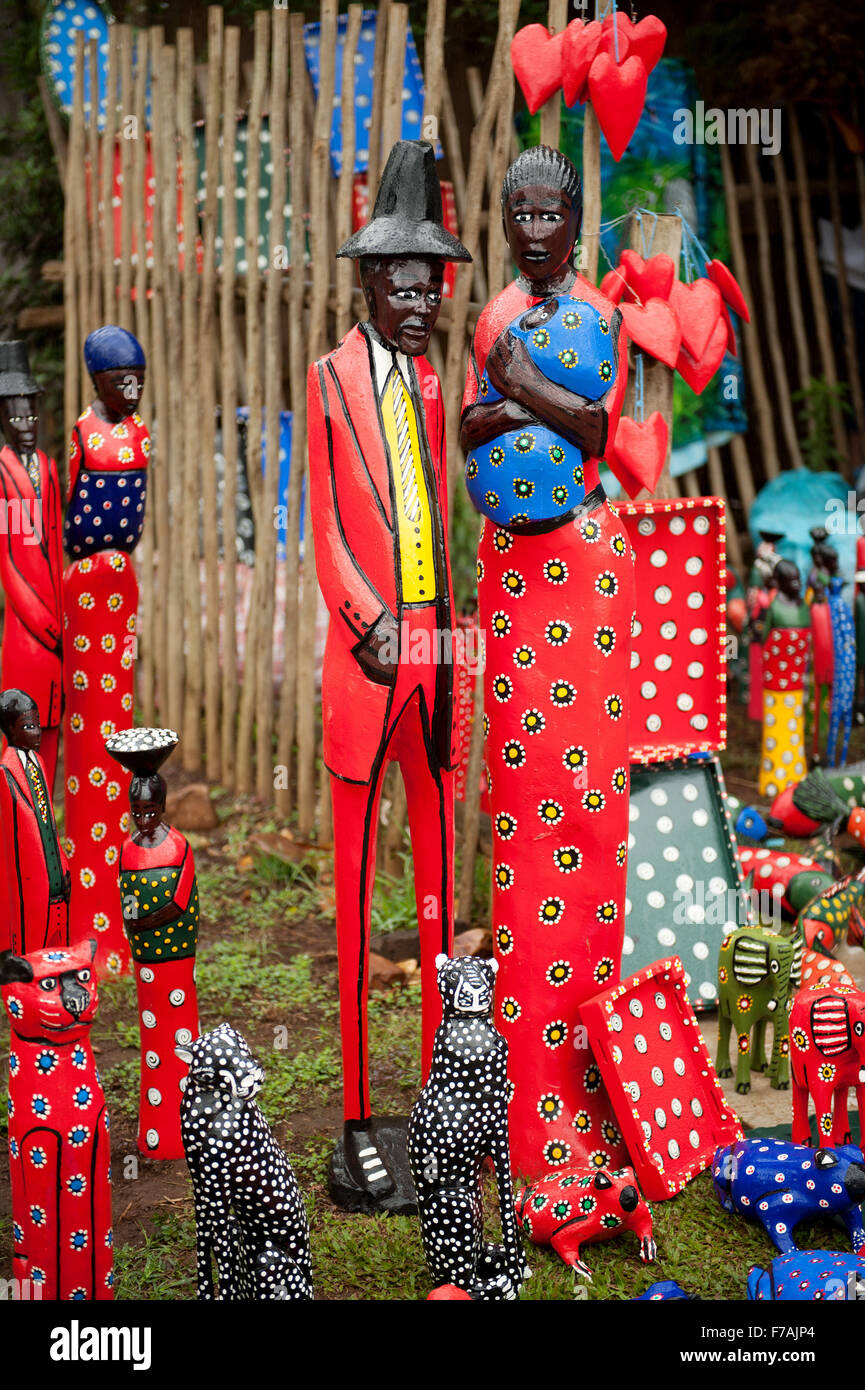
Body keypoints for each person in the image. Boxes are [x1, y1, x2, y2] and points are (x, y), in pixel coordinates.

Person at [460, 145, 656, 1181]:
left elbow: (594, 429)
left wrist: (519, 386)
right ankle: (527, 1107)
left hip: (584, 573)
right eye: (518, 211)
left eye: (550, 210)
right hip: (512, 579)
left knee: (589, 811)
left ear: (577, 219)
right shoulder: (492, 312)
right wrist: (517, 399)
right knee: (523, 821)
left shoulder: (598, 318)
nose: (534, 227)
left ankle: (593, 1093)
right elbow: (468, 425)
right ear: (502, 221)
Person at [307, 140, 471, 1209]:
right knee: (361, 905)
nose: (418, 300)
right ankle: (362, 1117)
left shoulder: (431, 380)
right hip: (372, 664)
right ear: (369, 281)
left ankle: (438, 1094)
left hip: (437, 657)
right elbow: (323, 528)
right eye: (402, 282)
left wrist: (449, 637)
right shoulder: (329, 378)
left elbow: (445, 531)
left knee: (438, 894)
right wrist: (369, 622)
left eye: (431, 283)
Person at [62, 325, 150, 976]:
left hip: (122, 579)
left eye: (138, 377)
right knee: (90, 729)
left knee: (117, 729)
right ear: (97, 381)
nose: (132, 388)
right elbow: (68, 507)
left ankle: (115, 911)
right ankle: (86, 906)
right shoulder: (80, 436)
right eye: (122, 378)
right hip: (85, 583)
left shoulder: (141, 433)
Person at [109, 727, 200, 1160]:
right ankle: (158, 1133)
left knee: (179, 1034)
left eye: (150, 811)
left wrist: (142, 922)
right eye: (137, 812)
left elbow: (180, 903)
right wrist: (137, 930)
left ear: (163, 808)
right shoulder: (127, 852)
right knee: (153, 1040)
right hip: (147, 959)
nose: (143, 820)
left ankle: (184, 1131)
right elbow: (126, 898)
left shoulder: (179, 847)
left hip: (177, 957)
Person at [0, 342, 63, 788]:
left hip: (56, 623)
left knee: (52, 726)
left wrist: (61, 615)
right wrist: (43, 621)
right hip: (28, 628)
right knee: (22, 727)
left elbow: (56, 543)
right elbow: (7, 559)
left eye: (32, 415)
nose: (26, 425)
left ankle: (48, 832)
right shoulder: (1, 473)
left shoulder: (49, 467)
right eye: (17, 416)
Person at [0, 686, 70, 953]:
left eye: (37, 725)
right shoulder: (6, 772)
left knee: (58, 946)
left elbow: (49, 823)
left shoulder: (38, 763)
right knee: (33, 948)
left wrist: (63, 867)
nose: (38, 732)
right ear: (10, 729)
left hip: (54, 883)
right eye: (28, 726)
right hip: (29, 888)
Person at [758, 559, 810, 798]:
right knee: (776, 731)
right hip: (775, 686)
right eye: (791, 580)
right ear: (779, 583)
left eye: (798, 578)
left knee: (794, 730)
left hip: (796, 683)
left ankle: (796, 776)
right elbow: (764, 640)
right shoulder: (774, 607)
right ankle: (774, 780)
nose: (797, 584)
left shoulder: (804, 606)